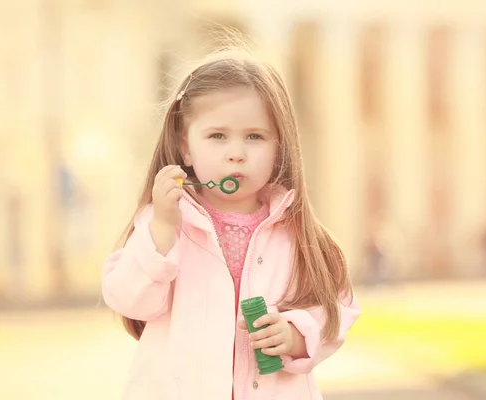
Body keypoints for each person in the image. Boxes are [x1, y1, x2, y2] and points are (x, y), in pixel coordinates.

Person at [101, 45, 361, 400]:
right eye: (217, 136)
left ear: (278, 147)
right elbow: (129, 299)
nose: (236, 152)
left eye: (254, 136)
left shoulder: (294, 230)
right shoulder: (166, 222)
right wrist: (162, 229)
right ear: (185, 147)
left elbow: (337, 309)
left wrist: (298, 335)